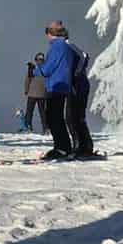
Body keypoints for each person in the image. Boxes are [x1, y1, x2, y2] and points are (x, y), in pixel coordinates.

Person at [33, 20, 77, 160]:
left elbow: (47, 69)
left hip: (56, 86)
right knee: (56, 116)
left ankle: (62, 148)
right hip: (63, 85)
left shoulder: (57, 47)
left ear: (51, 33)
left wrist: (35, 70)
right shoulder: (66, 46)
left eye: (47, 31)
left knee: (53, 118)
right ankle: (63, 147)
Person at [64, 30, 94, 157]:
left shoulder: (68, 46)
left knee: (73, 117)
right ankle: (83, 145)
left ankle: (82, 146)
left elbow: (84, 56)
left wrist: (76, 74)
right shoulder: (65, 47)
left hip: (79, 86)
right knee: (74, 117)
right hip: (76, 86)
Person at [23, 53, 48, 134]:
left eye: (41, 59)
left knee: (30, 111)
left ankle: (28, 127)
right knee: (42, 112)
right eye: (39, 59)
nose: (40, 61)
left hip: (34, 93)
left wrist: (26, 90)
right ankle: (45, 128)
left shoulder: (32, 68)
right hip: (40, 94)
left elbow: (27, 80)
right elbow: (27, 80)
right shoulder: (46, 69)